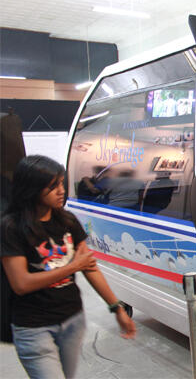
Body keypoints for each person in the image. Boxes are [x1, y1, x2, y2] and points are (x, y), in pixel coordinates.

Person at [0, 155, 136, 379]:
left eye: (61, 183)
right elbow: (21, 283)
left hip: (72, 320)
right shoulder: (11, 228)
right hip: (34, 328)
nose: (61, 190)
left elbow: (90, 268)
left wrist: (117, 308)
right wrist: (73, 266)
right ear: (31, 189)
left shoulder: (67, 220)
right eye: (52, 186)